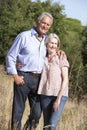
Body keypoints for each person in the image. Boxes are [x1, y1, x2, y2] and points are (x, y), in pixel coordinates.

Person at [6, 12, 66, 130]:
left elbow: (53, 49)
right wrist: (15, 75)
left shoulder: (47, 40)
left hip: (39, 81)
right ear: (37, 22)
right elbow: (10, 56)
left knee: (37, 113)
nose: (45, 26)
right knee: (18, 112)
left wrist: (60, 51)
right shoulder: (24, 36)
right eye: (43, 23)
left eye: (48, 24)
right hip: (23, 77)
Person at [38, 33, 69, 130]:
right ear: (46, 44)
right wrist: (19, 64)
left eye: (55, 44)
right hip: (45, 94)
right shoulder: (42, 56)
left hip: (59, 95)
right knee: (46, 126)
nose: (53, 45)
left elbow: (65, 79)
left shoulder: (61, 57)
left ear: (58, 46)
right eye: (51, 43)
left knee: (51, 125)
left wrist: (58, 99)